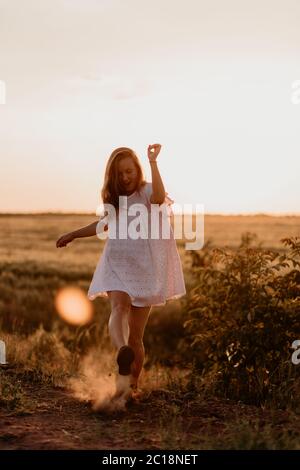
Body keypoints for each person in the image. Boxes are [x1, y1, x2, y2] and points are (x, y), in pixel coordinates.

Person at [56, 144, 186, 400]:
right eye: (120, 174)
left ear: (136, 170)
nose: (125, 177)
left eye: (129, 171)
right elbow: (103, 224)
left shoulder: (147, 190)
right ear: (113, 176)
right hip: (118, 261)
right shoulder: (114, 198)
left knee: (137, 335)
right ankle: (121, 350)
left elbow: (159, 197)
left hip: (145, 267)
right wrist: (73, 234)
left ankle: (129, 387)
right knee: (119, 308)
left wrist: (153, 162)